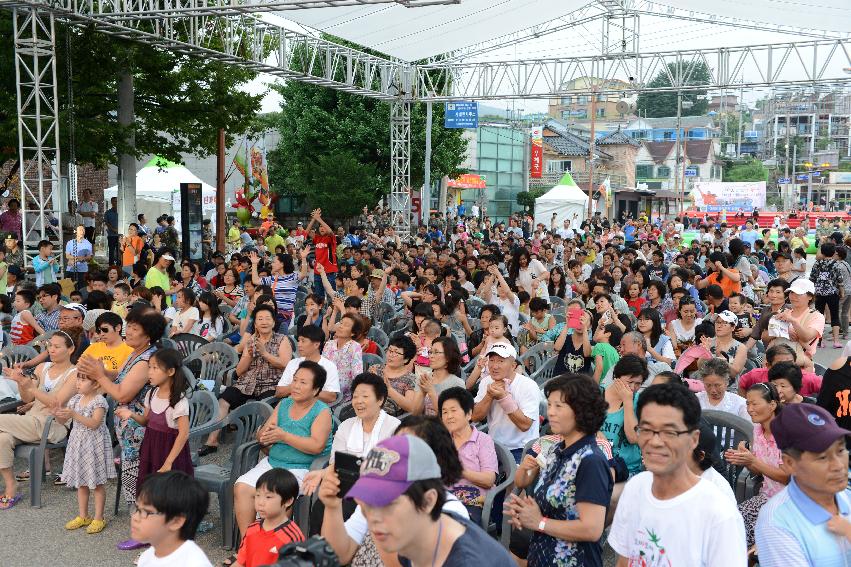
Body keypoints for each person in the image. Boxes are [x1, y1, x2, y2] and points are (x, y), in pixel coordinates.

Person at [608, 383, 747, 565]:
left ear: (694, 439)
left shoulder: (718, 512)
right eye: (646, 429)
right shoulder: (636, 488)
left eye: (669, 432)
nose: (655, 442)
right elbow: (625, 560)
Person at [344, 434, 516, 567]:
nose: (372, 517)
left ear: (428, 501)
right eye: (367, 501)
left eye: (387, 504)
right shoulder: (420, 527)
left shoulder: (467, 561)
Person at [75, 308, 166, 551]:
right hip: (129, 425)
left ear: (148, 335)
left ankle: (144, 530)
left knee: (134, 476)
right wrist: (102, 370)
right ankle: (144, 527)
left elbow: (123, 392)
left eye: (135, 329)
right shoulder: (137, 352)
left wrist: (98, 376)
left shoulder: (147, 358)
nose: (129, 332)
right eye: (130, 327)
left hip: (138, 425)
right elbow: (120, 376)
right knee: (132, 474)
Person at [507, 374, 612, 567]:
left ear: (581, 411)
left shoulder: (591, 461)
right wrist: (526, 513)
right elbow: (555, 508)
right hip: (542, 556)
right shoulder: (557, 451)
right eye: (550, 405)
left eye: (559, 406)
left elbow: (592, 529)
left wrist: (538, 522)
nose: (551, 413)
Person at [232, 360, 332, 540]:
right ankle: (248, 545)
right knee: (242, 486)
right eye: (295, 380)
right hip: (273, 463)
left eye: (303, 383)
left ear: (316, 390)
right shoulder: (285, 404)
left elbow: (317, 445)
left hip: (302, 468)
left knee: (276, 495)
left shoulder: (321, 411)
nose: (296, 386)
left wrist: (283, 436)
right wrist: (263, 435)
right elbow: (266, 432)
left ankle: (273, 549)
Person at [755, 404, 851, 566]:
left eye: (840, 451)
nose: (839, 466)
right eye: (822, 458)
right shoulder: (777, 523)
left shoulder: (846, 495)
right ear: (790, 464)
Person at [199, 305, 292, 456]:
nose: (264, 322)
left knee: (263, 407)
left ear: (274, 323)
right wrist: (249, 355)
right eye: (260, 319)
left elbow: (285, 364)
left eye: (268, 319)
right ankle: (212, 441)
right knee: (224, 400)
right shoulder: (251, 341)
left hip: (271, 382)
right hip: (247, 382)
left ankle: (257, 445)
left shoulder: (282, 339)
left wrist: (264, 353)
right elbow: (240, 371)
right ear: (255, 323)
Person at [0, 332, 78, 508]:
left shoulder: (74, 373)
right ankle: (11, 485)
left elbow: (55, 403)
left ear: (71, 349)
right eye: (50, 345)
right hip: (31, 421)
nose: (52, 349)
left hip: (53, 425)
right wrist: (20, 382)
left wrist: (30, 387)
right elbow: (27, 399)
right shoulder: (42, 367)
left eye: (57, 346)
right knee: (2, 439)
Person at [301, 372, 401, 498]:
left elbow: (396, 468)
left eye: (365, 396)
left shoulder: (395, 428)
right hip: (346, 486)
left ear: (380, 399)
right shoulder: (346, 426)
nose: (359, 401)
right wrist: (322, 473)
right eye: (355, 397)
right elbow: (337, 464)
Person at [116, 348, 193, 494]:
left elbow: (183, 434)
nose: (149, 372)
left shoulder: (178, 401)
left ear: (170, 372)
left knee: (170, 493)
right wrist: (131, 414)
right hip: (150, 449)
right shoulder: (152, 394)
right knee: (151, 491)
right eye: (149, 367)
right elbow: (146, 421)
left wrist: (169, 462)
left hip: (170, 452)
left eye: (155, 368)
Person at [724, 382, 788, 550]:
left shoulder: (785, 433)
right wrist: (745, 459)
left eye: (755, 404)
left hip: (787, 505)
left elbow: (787, 478)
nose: (750, 409)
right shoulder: (758, 431)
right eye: (747, 403)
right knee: (730, 522)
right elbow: (757, 471)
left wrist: (753, 461)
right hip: (765, 497)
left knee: (747, 536)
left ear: (772, 404)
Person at [55, 372, 116, 534]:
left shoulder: (99, 401)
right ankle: (83, 515)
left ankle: (99, 517)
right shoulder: (75, 399)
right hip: (78, 443)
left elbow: (95, 423)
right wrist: (58, 415)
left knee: (97, 483)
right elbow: (65, 421)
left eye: (83, 380)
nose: (79, 383)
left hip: (94, 444)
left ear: (96, 384)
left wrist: (74, 414)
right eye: (78, 379)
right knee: (81, 482)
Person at [472, 342, 540, 462]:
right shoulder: (486, 382)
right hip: (494, 445)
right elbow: (475, 416)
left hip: (522, 449)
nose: (494, 366)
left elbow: (525, 425)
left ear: (513, 366)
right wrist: (489, 396)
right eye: (491, 360)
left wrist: (504, 398)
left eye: (500, 361)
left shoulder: (528, 385)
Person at [439, 387, 497, 524]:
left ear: (469, 414)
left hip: (472, 502)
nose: (449, 416)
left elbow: (489, 479)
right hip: (442, 499)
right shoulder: (440, 440)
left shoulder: (483, 440)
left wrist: (458, 470)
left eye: (453, 411)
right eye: (444, 412)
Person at [133, 471, 213, 567]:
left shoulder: (194, 563)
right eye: (137, 509)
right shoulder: (146, 557)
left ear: (176, 521)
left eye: (146, 511)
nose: (135, 517)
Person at [233, 468, 305, 567]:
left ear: (288, 501)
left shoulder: (292, 537)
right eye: (257, 495)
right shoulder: (252, 529)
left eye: (268, 497)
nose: (260, 502)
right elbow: (240, 562)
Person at [275, 324, 340, 405]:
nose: (299, 344)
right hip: (291, 405)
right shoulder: (293, 363)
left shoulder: (329, 366)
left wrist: (306, 391)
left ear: (316, 344)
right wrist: (298, 387)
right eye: (298, 340)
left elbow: (331, 396)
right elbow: (279, 392)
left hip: (316, 409)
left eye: (303, 341)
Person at [601, 355, 644, 476]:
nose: (632, 388)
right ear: (616, 377)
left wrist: (627, 402)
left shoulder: (639, 401)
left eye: (638, 384)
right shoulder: (597, 394)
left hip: (627, 469)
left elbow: (633, 438)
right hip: (597, 464)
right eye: (629, 382)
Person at [766, 278, 824, 360]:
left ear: (810, 296)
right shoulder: (782, 311)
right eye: (792, 292)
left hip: (799, 363)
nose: (794, 296)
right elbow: (764, 337)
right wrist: (780, 331)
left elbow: (806, 337)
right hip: (774, 358)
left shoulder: (816, 316)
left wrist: (792, 321)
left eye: (799, 293)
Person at [322, 312, 364, 404]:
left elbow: (357, 375)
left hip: (341, 395)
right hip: (323, 387)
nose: (340, 326)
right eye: (341, 323)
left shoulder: (355, 347)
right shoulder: (329, 344)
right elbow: (321, 366)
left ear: (353, 332)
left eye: (346, 325)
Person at [810, 242, 845, 348]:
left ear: (822, 252)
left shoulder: (817, 263)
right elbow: (840, 280)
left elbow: (812, 278)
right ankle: (836, 341)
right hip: (832, 293)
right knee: (834, 316)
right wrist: (842, 291)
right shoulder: (836, 264)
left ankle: (819, 341)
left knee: (819, 316)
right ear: (834, 252)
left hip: (819, 293)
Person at [65, 224, 93, 288]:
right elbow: (67, 255)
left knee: (82, 288)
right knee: (70, 289)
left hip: (83, 270)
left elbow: (89, 257)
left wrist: (83, 258)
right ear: (76, 231)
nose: (82, 232)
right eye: (80, 230)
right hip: (71, 269)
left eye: (83, 230)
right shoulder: (70, 242)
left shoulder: (88, 243)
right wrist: (78, 258)